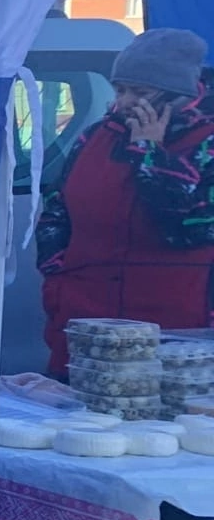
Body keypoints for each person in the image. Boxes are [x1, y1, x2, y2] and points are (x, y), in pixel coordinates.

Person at [39, 27, 214, 373]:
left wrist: (149, 151)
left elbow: (191, 229)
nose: (126, 102)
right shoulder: (95, 138)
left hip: (177, 336)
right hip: (88, 328)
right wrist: (58, 274)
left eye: (140, 91)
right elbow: (57, 212)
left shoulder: (206, 143)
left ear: (177, 94)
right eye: (120, 89)